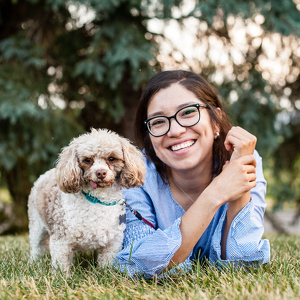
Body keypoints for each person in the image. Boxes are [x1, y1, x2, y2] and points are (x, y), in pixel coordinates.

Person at [114, 70, 270, 277]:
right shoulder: (135, 175)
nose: (175, 131)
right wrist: (215, 194)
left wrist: (239, 189)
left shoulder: (242, 157)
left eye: (188, 112)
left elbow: (242, 264)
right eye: (158, 121)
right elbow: (136, 263)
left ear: (216, 121)